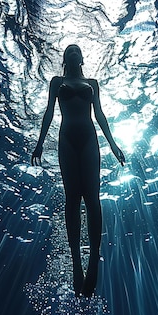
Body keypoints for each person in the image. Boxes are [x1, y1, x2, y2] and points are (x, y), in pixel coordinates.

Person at [31, 44, 125, 297]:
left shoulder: (92, 82)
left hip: (88, 139)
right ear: (65, 58)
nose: (73, 53)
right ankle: (76, 263)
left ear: (82, 57)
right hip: (67, 139)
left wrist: (114, 146)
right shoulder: (56, 81)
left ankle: (94, 259)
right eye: (69, 51)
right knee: (73, 197)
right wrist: (39, 144)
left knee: (92, 198)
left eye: (76, 50)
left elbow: (101, 115)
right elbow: (49, 111)